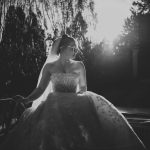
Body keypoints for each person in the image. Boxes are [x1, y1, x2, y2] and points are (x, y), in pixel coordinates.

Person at [0, 34, 147, 150]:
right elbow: (40, 89)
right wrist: (26, 100)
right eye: (72, 48)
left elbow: (83, 88)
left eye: (76, 48)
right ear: (62, 48)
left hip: (76, 103)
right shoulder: (49, 67)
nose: (75, 51)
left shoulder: (79, 66)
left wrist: (76, 97)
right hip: (53, 106)